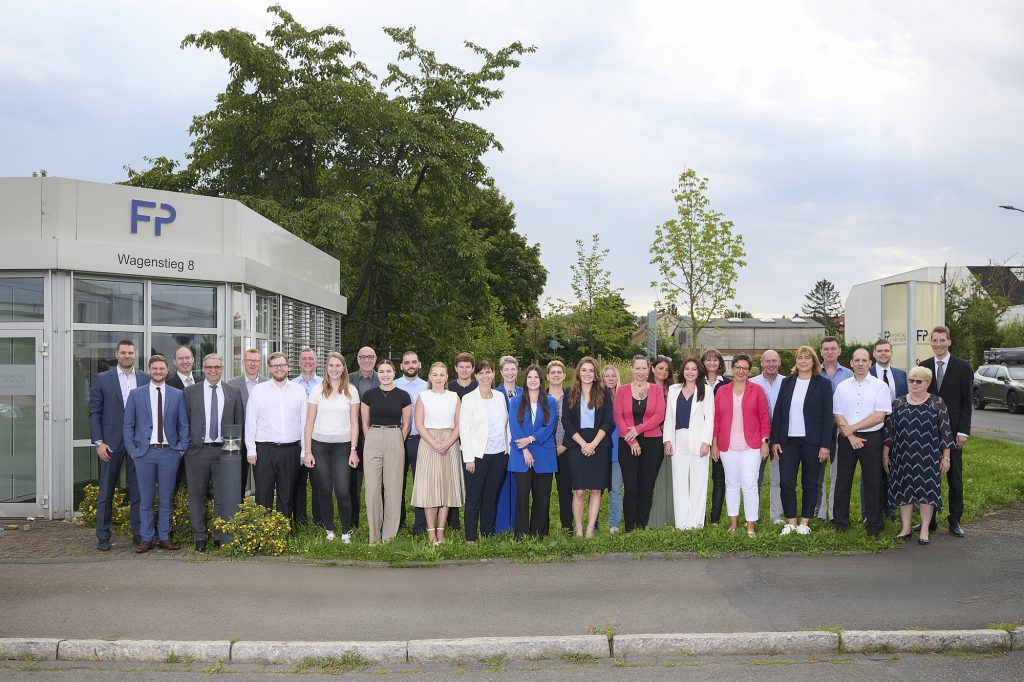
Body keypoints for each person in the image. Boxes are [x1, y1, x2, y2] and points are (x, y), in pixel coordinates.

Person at [123, 354, 189, 553]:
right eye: (155, 369)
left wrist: (181, 449)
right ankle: (146, 538)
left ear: (167, 370)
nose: (158, 372)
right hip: (144, 454)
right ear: (149, 370)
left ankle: (164, 537)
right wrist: (133, 451)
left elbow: (184, 425)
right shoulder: (136, 394)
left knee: (166, 497)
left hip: (169, 453)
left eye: (162, 369)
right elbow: (128, 425)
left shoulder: (178, 394)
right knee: (146, 498)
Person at [88, 339, 150, 551]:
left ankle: (139, 533)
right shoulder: (103, 379)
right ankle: (103, 536)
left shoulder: (145, 378)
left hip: (138, 444)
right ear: (117, 355)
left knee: (139, 491)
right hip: (110, 444)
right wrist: (99, 442)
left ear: (135, 355)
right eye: (123, 352)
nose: (127, 356)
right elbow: (94, 412)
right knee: (106, 491)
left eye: (130, 353)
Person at [884, 365, 955, 545]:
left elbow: (946, 432)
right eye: (911, 381)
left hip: (928, 456)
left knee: (927, 492)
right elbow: (889, 432)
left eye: (918, 381)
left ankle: (924, 529)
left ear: (928, 383)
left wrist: (946, 457)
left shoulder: (937, 402)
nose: (914, 384)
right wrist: (886, 454)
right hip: (902, 456)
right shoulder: (898, 403)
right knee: (904, 490)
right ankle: (906, 527)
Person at [183, 353, 244, 552]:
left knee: (222, 496)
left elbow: (238, 424)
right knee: (196, 495)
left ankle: (220, 535)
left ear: (222, 368)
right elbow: (183, 421)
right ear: (203, 369)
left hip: (224, 454)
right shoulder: (190, 392)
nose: (213, 370)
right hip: (197, 452)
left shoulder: (233, 392)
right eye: (209, 367)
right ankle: (199, 536)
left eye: (217, 367)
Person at [769, 346, 833, 535]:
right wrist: (775, 440)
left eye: (807, 358)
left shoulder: (822, 384)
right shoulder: (787, 383)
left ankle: (804, 522)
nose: (803, 361)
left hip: (812, 442)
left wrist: (825, 445)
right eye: (800, 358)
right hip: (788, 441)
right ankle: (791, 522)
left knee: (810, 483)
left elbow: (827, 416)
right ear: (796, 361)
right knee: (787, 482)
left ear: (814, 361)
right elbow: (779, 412)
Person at [832, 348, 892, 539]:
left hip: (871, 439)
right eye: (856, 360)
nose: (860, 363)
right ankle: (840, 522)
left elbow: (879, 415)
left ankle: (874, 526)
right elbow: (837, 414)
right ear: (851, 363)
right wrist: (850, 435)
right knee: (842, 481)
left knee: (873, 482)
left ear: (870, 363)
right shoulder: (842, 386)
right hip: (846, 439)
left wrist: (853, 428)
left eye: (864, 360)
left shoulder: (880, 386)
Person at [918, 326, 971, 537]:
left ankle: (955, 519)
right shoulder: (925, 366)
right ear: (930, 342)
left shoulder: (962, 366)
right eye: (935, 340)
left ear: (949, 341)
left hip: (954, 432)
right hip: (929, 432)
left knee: (954, 477)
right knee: (928, 477)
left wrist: (963, 432)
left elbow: (967, 401)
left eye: (942, 340)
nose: (938, 344)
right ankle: (928, 522)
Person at [302, 352, 360, 543]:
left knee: (343, 490)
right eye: (331, 365)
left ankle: (345, 532)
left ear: (344, 368)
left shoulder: (351, 391)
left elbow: (354, 423)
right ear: (326, 368)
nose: (334, 369)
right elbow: (309, 422)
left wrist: (353, 450)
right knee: (324, 490)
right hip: (319, 446)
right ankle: (330, 530)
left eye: (338, 365)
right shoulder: (317, 390)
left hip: (343, 447)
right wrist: (308, 451)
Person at [711, 354, 770, 537]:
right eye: (737, 367)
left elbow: (764, 419)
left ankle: (751, 526)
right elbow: (717, 420)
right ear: (732, 368)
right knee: (731, 485)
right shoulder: (722, 391)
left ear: (749, 370)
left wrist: (764, 442)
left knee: (750, 485)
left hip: (751, 446)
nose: (740, 371)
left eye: (744, 368)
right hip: (727, 446)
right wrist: (714, 444)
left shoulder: (757, 390)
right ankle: (733, 524)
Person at [245, 352, 308, 519]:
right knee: (263, 495)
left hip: (291, 450)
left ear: (288, 367)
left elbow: (304, 424)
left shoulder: (299, 391)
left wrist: (304, 451)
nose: (279, 369)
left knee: (286, 496)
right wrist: (251, 449)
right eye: (275, 366)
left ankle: (282, 534)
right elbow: (251, 421)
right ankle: (264, 535)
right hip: (264, 450)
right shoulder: (259, 391)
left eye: (282, 365)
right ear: (270, 369)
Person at [411, 362, 465, 545]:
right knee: (430, 489)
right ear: (430, 377)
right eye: (435, 374)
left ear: (447, 376)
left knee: (446, 488)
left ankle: (441, 531)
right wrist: (434, 443)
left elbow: (459, 424)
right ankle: (430, 532)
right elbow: (418, 424)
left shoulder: (454, 397)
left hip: (450, 443)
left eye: (442, 374)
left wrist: (448, 443)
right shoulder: (423, 396)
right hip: (428, 443)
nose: (438, 378)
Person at [360, 359, 411, 544]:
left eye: (388, 371)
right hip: (373, 437)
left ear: (394, 372)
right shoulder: (368, 395)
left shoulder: (403, 396)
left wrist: (397, 439)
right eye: (381, 371)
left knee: (393, 488)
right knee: (373, 489)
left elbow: (407, 424)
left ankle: (389, 536)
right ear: (377, 373)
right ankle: (374, 536)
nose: (385, 374)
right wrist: (371, 438)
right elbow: (364, 422)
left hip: (394, 437)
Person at [613, 355, 667, 531]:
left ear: (649, 369)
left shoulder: (657, 390)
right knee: (630, 487)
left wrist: (638, 429)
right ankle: (629, 527)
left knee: (646, 486)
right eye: (637, 368)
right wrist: (632, 439)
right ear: (632, 369)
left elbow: (659, 415)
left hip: (652, 442)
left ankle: (641, 525)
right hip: (627, 442)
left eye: (644, 368)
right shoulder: (621, 390)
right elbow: (618, 416)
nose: (641, 372)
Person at [459, 361, 510, 542]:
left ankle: (487, 535)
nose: (485, 376)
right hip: (478, 457)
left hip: (499, 455)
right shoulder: (469, 399)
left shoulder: (499, 396)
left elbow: (507, 425)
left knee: (491, 498)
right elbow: (464, 430)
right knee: (474, 499)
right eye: (481, 373)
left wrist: (508, 450)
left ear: (493, 374)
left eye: (488, 372)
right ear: (476, 376)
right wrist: (469, 458)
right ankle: (471, 538)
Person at [562, 357, 613, 537]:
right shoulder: (569, 393)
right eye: (584, 370)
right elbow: (566, 421)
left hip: (599, 444)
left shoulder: (604, 393)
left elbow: (608, 422)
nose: (587, 374)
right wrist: (584, 444)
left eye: (591, 370)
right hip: (577, 445)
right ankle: (578, 528)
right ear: (578, 372)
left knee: (595, 489)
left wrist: (593, 444)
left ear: (596, 374)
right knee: (579, 491)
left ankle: (590, 528)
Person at [508, 364, 558, 539]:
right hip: (521, 455)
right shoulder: (516, 401)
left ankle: (539, 534)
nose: (533, 380)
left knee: (542, 496)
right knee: (522, 495)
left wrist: (530, 440)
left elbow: (549, 426)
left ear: (541, 380)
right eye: (530, 377)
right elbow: (514, 427)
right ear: (525, 380)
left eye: (536, 377)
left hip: (544, 454)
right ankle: (521, 535)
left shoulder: (550, 401)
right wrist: (525, 450)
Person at [663, 357, 714, 529]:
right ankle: (682, 523)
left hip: (698, 441)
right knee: (680, 482)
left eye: (694, 369)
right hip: (678, 440)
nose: (690, 372)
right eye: (687, 369)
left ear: (699, 371)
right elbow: (669, 416)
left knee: (699, 482)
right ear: (682, 371)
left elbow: (710, 419)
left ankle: (696, 523)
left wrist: (706, 442)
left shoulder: (706, 390)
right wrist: (668, 439)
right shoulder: (673, 389)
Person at [813, 336, 853, 521]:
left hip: (841, 429)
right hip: (818, 429)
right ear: (821, 352)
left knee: (837, 474)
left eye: (833, 349)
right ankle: (818, 513)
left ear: (839, 351)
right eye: (826, 349)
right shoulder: (813, 373)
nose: (829, 352)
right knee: (817, 474)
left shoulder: (849, 374)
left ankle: (833, 513)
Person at [869, 338, 908, 520]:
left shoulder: (901, 375)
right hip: (873, 428)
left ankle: (891, 510)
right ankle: (870, 513)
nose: (883, 354)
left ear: (891, 352)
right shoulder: (866, 373)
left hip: (897, 428)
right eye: (879, 351)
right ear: (874, 353)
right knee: (872, 473)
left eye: (886, 350)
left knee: (893, 469)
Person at [749, 349, 785, 524]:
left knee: (778, 478)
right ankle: (752, 515)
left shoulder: (787, 382)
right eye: (767, 361)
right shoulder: (752, 383)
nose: (771, 364)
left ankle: (776, 516)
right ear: (761, 363)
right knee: (756, 478)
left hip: (780, 437)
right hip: (758, 437)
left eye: (774, 361)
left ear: (779, 363)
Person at [395, 351, 429, 534]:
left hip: (419, 440)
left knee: (420, 484)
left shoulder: (427, 387)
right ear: (401, 366)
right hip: (397, 440)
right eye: (406, 362)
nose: (410, 365)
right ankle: (397, 523)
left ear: (419, 364)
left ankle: (420, 526)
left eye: (413, 362)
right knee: (395, 483)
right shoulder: (392, 385)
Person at [226, 348, 266, 499]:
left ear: (260, 363)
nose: (252, 364)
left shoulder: (268, 383)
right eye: (249, 360)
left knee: (263, 481)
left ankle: (261, 514)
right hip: (239, 439)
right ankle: (238, 515)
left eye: (256, 361)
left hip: (262, 440)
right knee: (238, 480)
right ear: (243, 362)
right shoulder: (231, 384)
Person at [348, 346, 381, 527]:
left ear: (375, 359)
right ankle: (353, 521)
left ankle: (377, 521)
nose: (366, 360)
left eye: (370, 357)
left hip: (376, 435)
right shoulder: (348, 379)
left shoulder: (382, 378)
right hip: (353, 437)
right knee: (353, 482)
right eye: (362, 357)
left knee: (378, 482)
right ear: (358, 358)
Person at [291, 347, 323, 527]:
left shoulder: (324, 384)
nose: (307, 362)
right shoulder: (292, 385)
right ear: (299, 363)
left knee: (319, 482)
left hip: (319, 439)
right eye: (304, 359)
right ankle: (300, 520)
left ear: (316, 362)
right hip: (297, 439)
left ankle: (319, 521)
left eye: (311, 358)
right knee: (299, 482)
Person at [702, 348, 730, 524]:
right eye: (708, 359)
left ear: (720, 363)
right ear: (703, 362)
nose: (712, 363)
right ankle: (699, 515)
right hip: (700, 437)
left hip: (721, 436)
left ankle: (715, 518)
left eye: (715, 360)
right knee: (700, 478)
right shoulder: (695, 381)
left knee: (719, 479)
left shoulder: (727, 384)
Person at [494, 355, 521, 534]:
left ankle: (516, 524)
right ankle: (502, 527)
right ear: (501, 372)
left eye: (513, 369)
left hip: (520, 447)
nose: (510, 372)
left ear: (517, 371)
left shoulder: (524, 392)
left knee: (518, 487)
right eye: (506, 369)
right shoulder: (495, 393)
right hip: (501, 446)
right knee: (502, 486)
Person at [647, 355, 675, 529]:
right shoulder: (645, 388)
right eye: (660, 368)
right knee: (652, 477)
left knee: (668, 477)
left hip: (668, 437)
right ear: (653, 369)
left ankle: (669, 515)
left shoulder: (673, 389)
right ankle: (652, 517)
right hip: (650, 435)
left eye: (666, 369)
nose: (663, 372)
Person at [165, 345, 197, 491]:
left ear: (193, 360)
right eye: (180, 358)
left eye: (187, 358)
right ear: (174, 361)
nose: (184, 361)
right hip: (175, 446)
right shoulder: (166, 384)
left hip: (200, 446)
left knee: (200, 487)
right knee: (173, 485)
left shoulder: (203, 381)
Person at [547, 360, 573, 533]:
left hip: (566, 449)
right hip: (545, 450)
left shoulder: (571, 397)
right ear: (547, 376)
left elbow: (575, 423)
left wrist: (564, 444)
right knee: (543, 492)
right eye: (552, 372)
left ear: (564, 375)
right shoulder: (541, 397)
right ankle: (542, 528)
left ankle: (567, 526)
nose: (556, 375)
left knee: (565, 490)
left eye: (559, 372)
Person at [603, 365, 624, 534]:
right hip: (599, 449)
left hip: (618, 450)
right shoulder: (596, 398)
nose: (610, 378)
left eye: (613, 375)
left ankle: (614, 524)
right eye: (606, 376)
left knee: (615, 489)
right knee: (595, 489)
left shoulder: (623, 396)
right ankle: (593, 524)